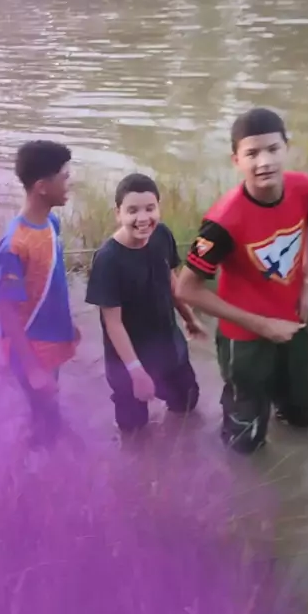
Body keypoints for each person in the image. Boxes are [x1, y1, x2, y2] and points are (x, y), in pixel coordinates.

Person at [177, 108, 308, 454]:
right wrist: (262, 325)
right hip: (244, 337)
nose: (264, 162)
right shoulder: (222, 222)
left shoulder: (305, 188)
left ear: (287, 147)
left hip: (293, 318)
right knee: (245, 440)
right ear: (236, 160)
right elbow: (186, 288)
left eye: (272, 149)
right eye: (252, 153)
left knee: (301, 412)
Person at [85, 173, 206, 435]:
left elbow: (171, 281)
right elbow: (113, 323)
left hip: (168, 346)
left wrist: (189, 318)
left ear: (158, 208)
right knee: (134, 432)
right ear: (118, 213)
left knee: (187, 405)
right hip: (127, 360)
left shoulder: (162, 235)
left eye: (150, 209)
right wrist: (136, 372)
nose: (143, 218)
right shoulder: (107, 260)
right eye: (132, 211)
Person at [0, 140, 79, 446]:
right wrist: (32, 368)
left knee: (48, 406)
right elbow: (6, 309)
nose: (69, 183)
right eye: (64, 177)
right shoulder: (14, 246)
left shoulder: (51, 223)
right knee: (45, 414)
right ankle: (38, 455)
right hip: (31, 346)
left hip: (51, 337)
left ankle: (47, 441)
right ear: (42, 187)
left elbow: (49, 282)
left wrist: (67, 323)